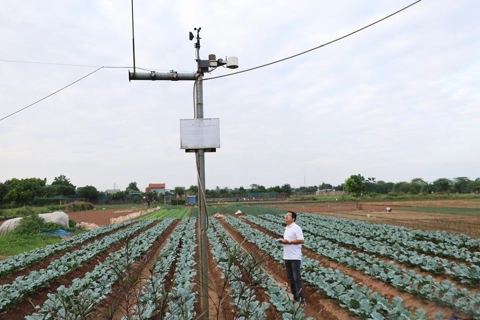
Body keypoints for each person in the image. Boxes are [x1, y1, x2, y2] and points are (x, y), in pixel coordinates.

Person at [279, 211, 306, 306]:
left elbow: (301, 240)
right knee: (290, 278)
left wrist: (289, 242)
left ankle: (301, 300)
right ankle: (295, 297)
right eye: (285, 215)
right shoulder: (286, 228)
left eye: (288, 215)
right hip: (287, 256)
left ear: (293, 218)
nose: (285, 216)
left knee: (297, 278)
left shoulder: (296, 227)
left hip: (295, 257)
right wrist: (283, 241)